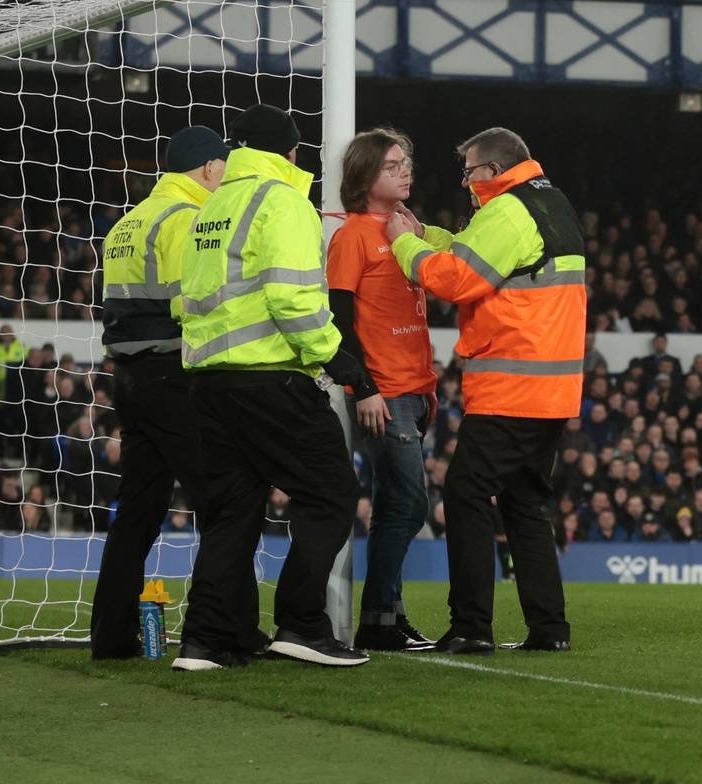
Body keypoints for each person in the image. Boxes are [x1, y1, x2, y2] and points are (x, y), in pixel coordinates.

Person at [174, 103, 375, 671]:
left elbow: (186, 299)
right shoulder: (281, 200)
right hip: (269, 375)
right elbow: (292, 297)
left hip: (210, 381)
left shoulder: (213, 206)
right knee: (332, 492)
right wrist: (336, 358)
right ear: (290, 151)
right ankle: (303, 625)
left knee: (233, 511)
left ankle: (205, 640)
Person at [386, 127, 586, 655]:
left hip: (512, 385)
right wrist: (428, 233)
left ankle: (472, 626)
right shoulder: (550, 202)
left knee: (467, 493)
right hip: (551, 389)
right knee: (524, 504)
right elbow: (484, 259)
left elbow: (457, 280)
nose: (466, 181)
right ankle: (550, 629)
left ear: (493, 172)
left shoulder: (506, 211)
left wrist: (402, 242)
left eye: (470, 171)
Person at [91, 127, 230, 658]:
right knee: (222, 502)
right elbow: (194, 302)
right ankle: (220, 630)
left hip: (129, 377)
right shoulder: (189, 220)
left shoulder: (128, 221)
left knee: (139, 512)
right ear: (210, 169)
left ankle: (110, 637)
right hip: (174, 372)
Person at [329, 127, 450, 652]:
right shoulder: (354, 235)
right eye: (391, 165)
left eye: (406, 162)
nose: (405, 171)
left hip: (413, 388)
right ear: (363, 177)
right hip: (383, 391)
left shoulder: (405, 229)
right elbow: (339, 318)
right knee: (409, 501)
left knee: (394, 505)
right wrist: (366, 387)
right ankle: (379, 616)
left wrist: (427, 389)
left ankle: (385, 615)